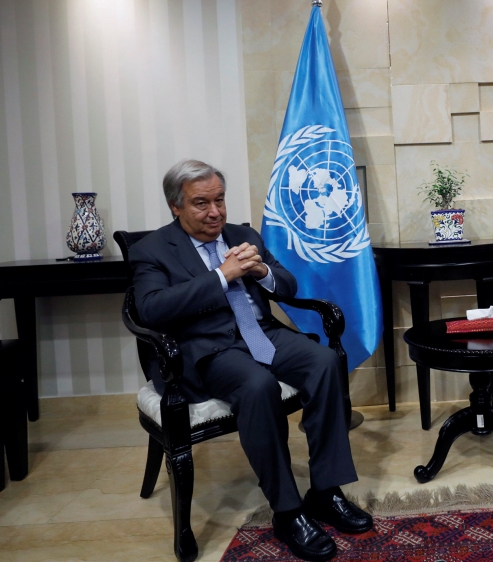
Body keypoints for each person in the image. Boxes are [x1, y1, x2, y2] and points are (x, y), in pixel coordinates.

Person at [130, 159, 370, 561]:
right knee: (258, 387)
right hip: (209, 348)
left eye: (220, 200)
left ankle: (325, 491)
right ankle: (288, 511)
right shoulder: (152, 250)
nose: (215, 212)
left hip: (264, 335)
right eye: (201, 203)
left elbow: (288, 284)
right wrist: (222, 275)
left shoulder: (243, 233)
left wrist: (261, 271)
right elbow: (151, 309)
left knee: (325, 362)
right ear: (176, 206)